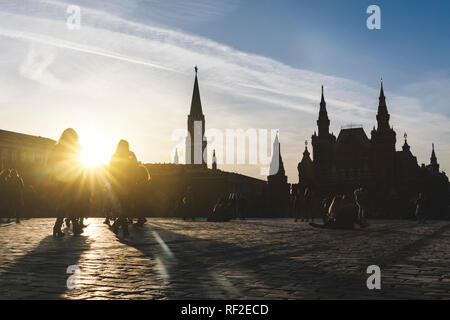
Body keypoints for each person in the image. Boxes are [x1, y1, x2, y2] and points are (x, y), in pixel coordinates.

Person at [47, 128, 84, 237]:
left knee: (67, 203)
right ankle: (63, 227)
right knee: (69, 203)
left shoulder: (57, 147)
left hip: (61, 179)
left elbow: (50, 163)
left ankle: (62, 227)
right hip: (71, 179)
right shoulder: (75, 148)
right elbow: (79, 163)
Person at [108, 139, 136, 237]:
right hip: (126, 185)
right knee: (125, 207)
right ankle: (124, 228)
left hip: (119, 185)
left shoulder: (115, 156)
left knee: (124, 207)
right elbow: (135, 168)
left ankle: (117, 225)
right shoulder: (130, 155)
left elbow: (110, 171)